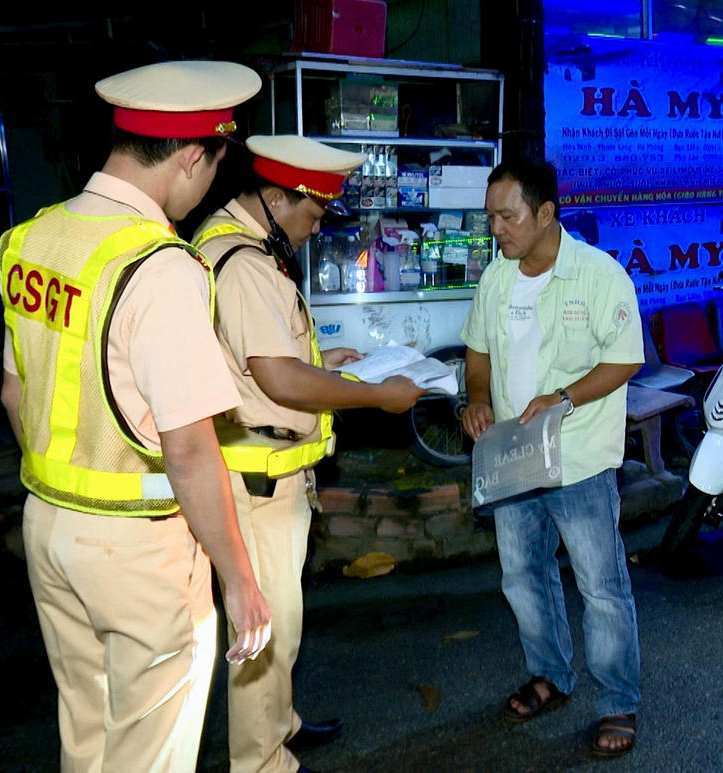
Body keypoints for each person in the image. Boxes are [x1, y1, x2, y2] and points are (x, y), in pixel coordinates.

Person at [0, 60, 271, 772]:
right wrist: (238, 577)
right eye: (213, 165)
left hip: (48, 527)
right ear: (189, 158)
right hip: (137, 549)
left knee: (86, 733)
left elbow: (13, 394)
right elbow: (188, 446)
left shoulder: (34, 239)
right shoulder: (160, 269)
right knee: (150, 745)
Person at [191, 134, 425, 773]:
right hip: (257, 486)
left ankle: (280, 724)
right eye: (313, 214)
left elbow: (276, 360)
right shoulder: (240, 263)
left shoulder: (246, 248)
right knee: (267, 633)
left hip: (270, 476)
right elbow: (279, 380)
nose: (315, 229)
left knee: (281, 627)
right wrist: (375, 395)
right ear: (275, 196)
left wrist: (334, 365)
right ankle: (262, 761)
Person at [459, 157, 644, 758]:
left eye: (507, 216)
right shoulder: (496, 278)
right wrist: (478, 399)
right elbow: (477, 348)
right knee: (522, 576)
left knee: (600, 585)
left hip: (578, 458)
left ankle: (617, 702)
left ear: (545, 213)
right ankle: (550, 676)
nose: (497, 230)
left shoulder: (599, 275)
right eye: (490, 217)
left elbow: (624, 360)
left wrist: (563, 398)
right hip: (514, 460)